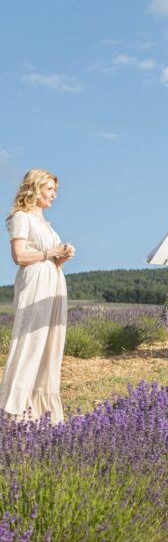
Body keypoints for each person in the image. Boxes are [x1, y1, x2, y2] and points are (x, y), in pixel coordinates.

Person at [0, 169, 75, 423]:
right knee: (30, 342)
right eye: (50, 189)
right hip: (35, 284)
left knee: (50, 346)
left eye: (55, 190)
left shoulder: (45, 223)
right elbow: (19, 256)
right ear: (35, 188)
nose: (54, 195)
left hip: (53, 282)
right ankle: (15, 413)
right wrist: (50, 251)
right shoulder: (21, 217)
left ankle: (42, 414)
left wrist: (60, 258)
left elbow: (47, 256)